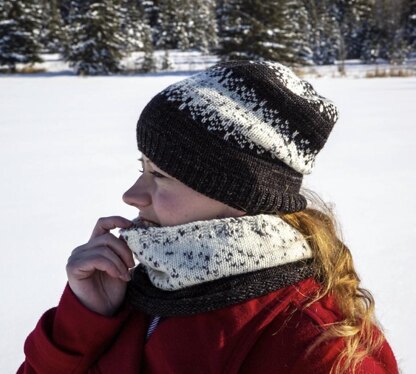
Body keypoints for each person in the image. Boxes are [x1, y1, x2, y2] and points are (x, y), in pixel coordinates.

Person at [18, 60, 398, 373]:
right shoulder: (147, 285)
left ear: (239, 195)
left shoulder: (319, 348)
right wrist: (84, 321)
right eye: (142, 167)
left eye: (160, 175)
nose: (131, 195)